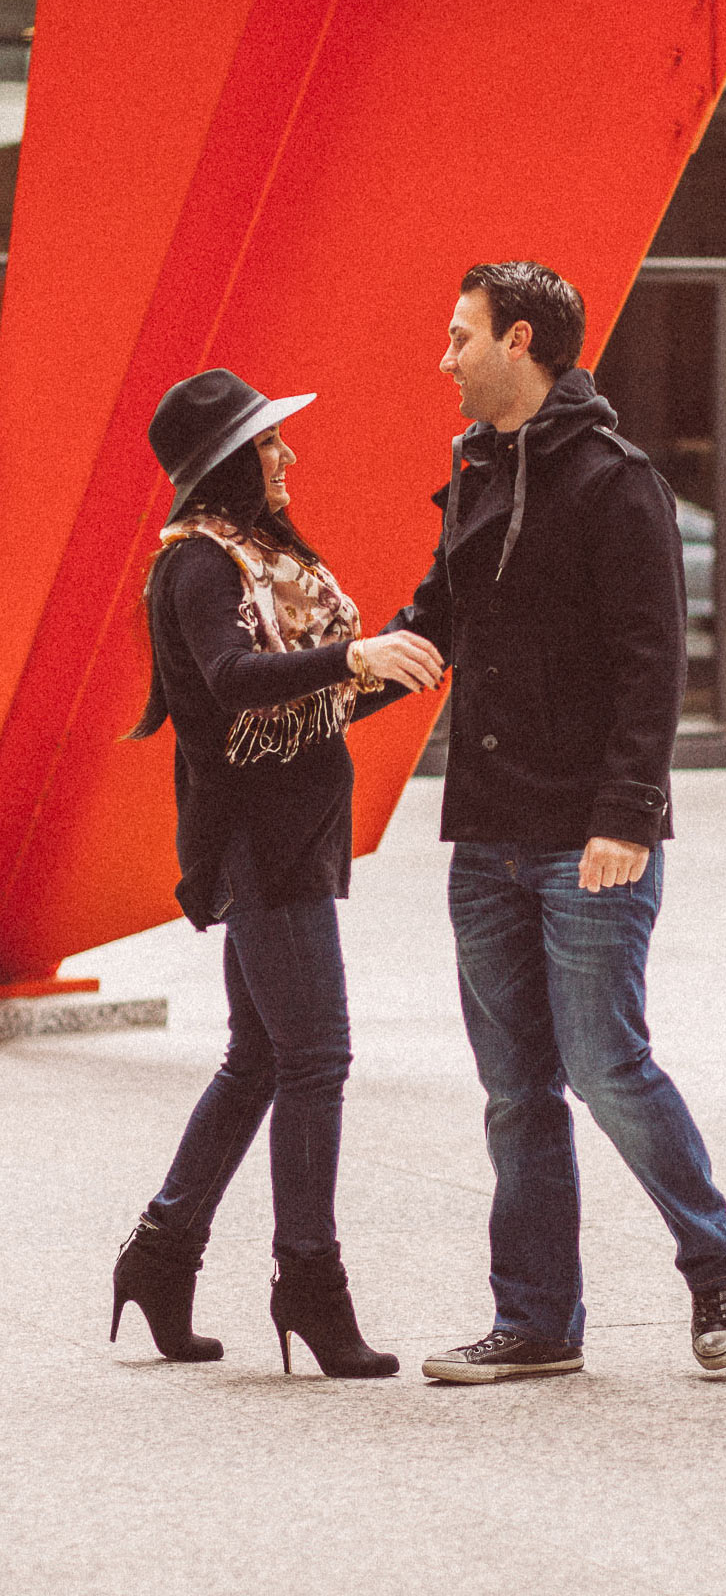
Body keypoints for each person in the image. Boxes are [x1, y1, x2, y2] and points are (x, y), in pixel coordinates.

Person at [358, 261, 726, 1383]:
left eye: (458, 337)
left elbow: (652, 662)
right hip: (483, 830)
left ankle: (712, 1257)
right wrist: (338, 674)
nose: (442, 359)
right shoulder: (475, 466)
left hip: (588, 834)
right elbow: (439, 614)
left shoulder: (612, 479)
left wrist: (625, 811)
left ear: (518, 340)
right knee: (513, 1088)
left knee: (604, 1064)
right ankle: (534, 1320)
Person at [112, 368, 443, 1376]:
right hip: (257, 837)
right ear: (226, 464)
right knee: (315, 1058)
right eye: (268, 444)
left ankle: (161, 1255)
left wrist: (407, 653)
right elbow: (231, 684)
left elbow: (308, 714)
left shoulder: (258, 556)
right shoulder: (201, 566)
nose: (286, 457)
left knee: (260, 1058)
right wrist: (354, 659)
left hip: (287, 823)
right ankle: (307, 1279)